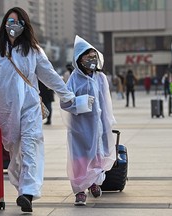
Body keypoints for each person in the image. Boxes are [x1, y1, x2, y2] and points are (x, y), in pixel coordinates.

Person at [0, 7, 75, 213]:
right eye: (10, 21)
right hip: (6, 110)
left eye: (18, 22)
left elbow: (49, 75)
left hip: (30, 107)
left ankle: (28, 193)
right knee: (14, 153)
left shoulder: (33, 50)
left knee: (31, 146)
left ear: (25, 25)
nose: (14, 25)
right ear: (4, 24)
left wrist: (66, 94)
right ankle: (22, 187)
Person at [60, 35, 116, 206]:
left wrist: (108, 121)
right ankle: (79, 191)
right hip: (80, 128)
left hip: (98, 125)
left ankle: (93, 183)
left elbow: (106, 102)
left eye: (94, 56)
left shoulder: (100, 78)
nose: (92, 60)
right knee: (80, 160)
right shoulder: (74, 79)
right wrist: (80, 102)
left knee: (97, 156)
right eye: (88, 57)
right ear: (79, 58)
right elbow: (65, 102)